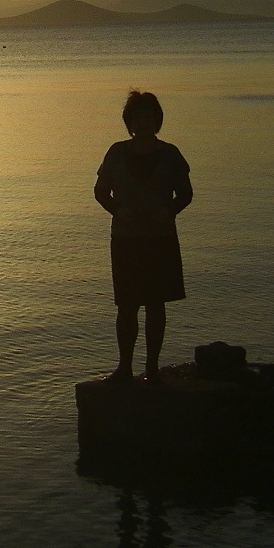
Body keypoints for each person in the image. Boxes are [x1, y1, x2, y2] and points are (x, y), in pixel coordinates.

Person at [94, 90, 192, 383]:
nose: (144, 122)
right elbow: (100, 192)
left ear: (157, 121)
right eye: (138, 117)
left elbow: (185, 194)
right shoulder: (115, 152)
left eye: (149, 117)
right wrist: (117, 210)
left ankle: (152, 368)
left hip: (160, 239)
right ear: (130, 122)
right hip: (126, 239)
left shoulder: (171, 154)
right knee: (127, 305)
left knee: (156, 304)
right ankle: (124, 368)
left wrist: (169, 211)